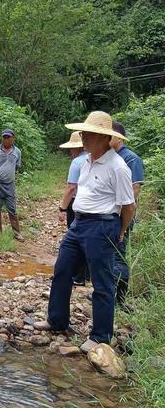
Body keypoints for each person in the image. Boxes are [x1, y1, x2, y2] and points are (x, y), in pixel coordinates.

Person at [34, 111, 135, 353]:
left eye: (87, 134)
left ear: (103, 137)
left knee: (102, 282)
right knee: (62, 271)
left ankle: (100, 336)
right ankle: (57, 320)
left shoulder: (117, 167)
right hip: (78, 224)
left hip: (102, 226)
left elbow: (129, 206)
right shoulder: (87, 161)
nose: (83, 138)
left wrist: (119, 231)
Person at [110, 120, 144, 305]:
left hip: (122, 214)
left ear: (118, 137)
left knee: (118, 254)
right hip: (108, 214)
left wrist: (123, 213)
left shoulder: (131, 158)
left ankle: (119, 298)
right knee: (109, 254)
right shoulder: (109, 155)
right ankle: (108, 294)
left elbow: (135, 188)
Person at [58, 131, 89, 285]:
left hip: (77, 203)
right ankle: (87, 274)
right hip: (91, 205)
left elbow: (71, 188)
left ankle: (78, 276)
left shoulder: (77, 162)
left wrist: (63, 208)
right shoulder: (93, 159)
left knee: (76, 239)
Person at [0, 129, 24, 241]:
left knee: (12, 209)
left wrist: (8, 174)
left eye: (8, 137)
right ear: (2, 138)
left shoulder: (17, 152)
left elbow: (17, 166)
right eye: (4, 137)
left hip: (9, 184)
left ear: (13, 139)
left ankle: (17, 233)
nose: (6, 139)